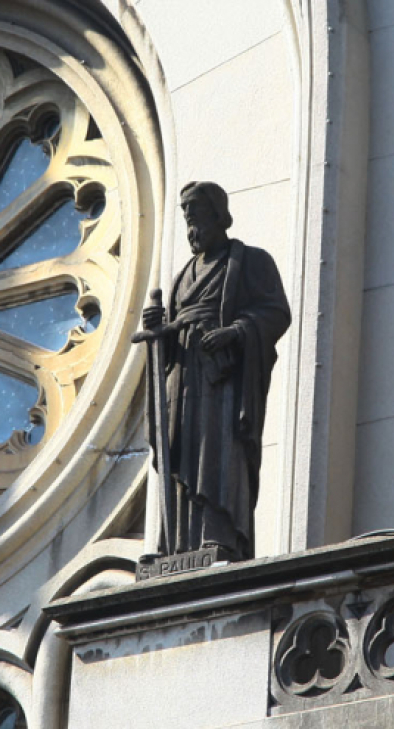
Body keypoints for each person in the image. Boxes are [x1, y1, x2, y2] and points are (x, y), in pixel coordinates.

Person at [140, 181, 291, 561]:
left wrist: (235, 332)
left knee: (216, 451)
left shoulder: (250, 261)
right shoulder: (182, 276)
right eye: (186, 218)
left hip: (221, 378)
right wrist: (159, 330)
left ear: (218, 215)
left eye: (197, 214)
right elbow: (170, 333)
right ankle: (175, 546)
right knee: (179, 454)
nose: (191, 225)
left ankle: (219, 537)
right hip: (181, 377)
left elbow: (276, 312)